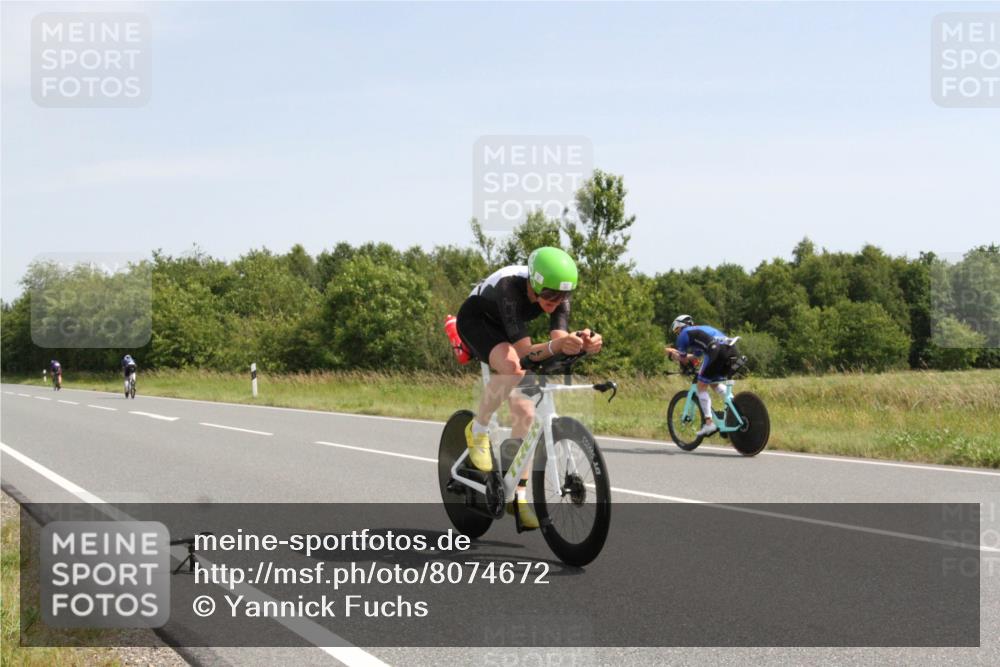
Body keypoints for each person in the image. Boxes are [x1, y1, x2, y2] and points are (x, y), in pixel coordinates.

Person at [456, 247, 603, 529]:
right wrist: (556, 346)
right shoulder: (510, 288)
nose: (556, 301)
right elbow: (525, 353)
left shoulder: (558, 294)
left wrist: (583, 343)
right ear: (534, 283)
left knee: (525, 413)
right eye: (549, 295)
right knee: (513, 368)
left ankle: (518, 496)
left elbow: (558, 340)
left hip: (511, 330)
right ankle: (477, 430)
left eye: (562, 296)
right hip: (478, 323)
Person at [664, 315, 739, 437]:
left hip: (717, 350)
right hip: (731, 350)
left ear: (682, 326)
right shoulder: (701, 331)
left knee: (701, 387)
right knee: (714, 384)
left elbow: (683, 359)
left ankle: (709, 423)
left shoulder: (685, 334)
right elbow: (695, 356)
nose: (677, 334)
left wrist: (672, 353)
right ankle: (735, 409)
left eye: (676, 330)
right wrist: (683, 356)